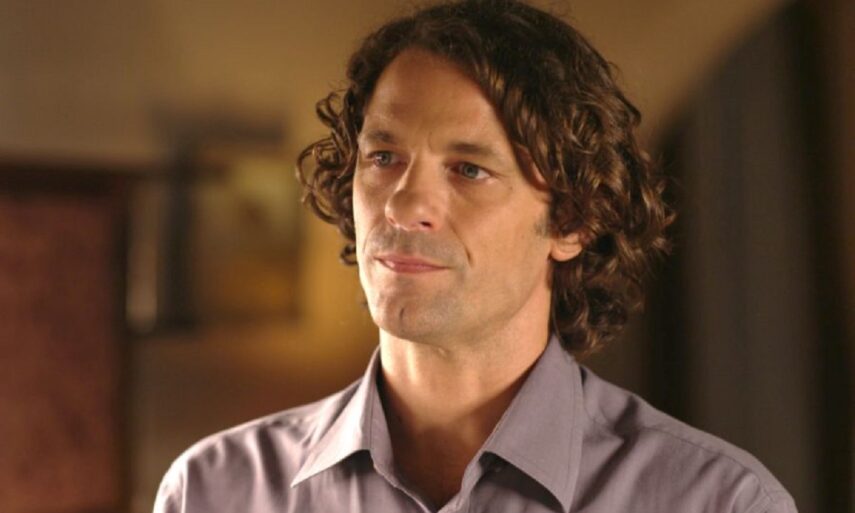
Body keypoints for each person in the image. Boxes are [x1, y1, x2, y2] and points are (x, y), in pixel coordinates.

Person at [154, 1, 797, 512]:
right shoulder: (213, 491)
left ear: (573, 219)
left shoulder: (716, 501)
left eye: (468, 169)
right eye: (383, 157)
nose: (403, 205)